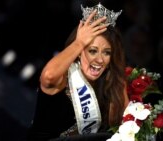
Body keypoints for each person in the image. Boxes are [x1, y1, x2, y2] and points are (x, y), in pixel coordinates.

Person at [26, 3, 129, 141]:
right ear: (79, 52)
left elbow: (126, 128)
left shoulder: (112, 85)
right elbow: (48, 77)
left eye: (107, 53)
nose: (100, 59)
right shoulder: (64, 77)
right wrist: (79, 42)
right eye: (92, 51)